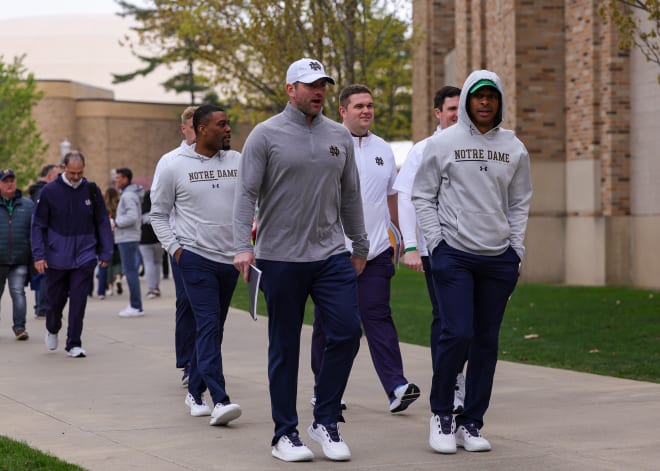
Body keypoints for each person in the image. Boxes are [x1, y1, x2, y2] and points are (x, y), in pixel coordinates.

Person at [233, 58, 368, 462]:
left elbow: (350, 195)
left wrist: (359, 244)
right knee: (285, 347)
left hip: (330, 254)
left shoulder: (338, 136)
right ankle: (284, 434)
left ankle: (325, 419)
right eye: (310, 85)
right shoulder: (264, 135)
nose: (319, 91)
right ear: (290, 89)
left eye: (323, 84)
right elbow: (245, 195)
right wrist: (242, 245)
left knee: (347, 332)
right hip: (280, 257)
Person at [412, 70, 532, 453]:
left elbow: (519, 203)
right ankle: (442, 414)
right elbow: (422, 196)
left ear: (499, 101)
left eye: (491, 96)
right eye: (477, 96)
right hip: (455, 256)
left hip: (498, 259)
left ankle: (472, 423)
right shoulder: (444, 143)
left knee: (485, 341)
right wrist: (438, 245)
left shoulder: (514, 148)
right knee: (457, 333)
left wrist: (516, 251)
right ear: (466, 101)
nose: (484, 102)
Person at [309, 84, 420, 414]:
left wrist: (398, 236)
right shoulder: (326, 144)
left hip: (376, 252)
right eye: (359, 106)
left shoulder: (384, 149)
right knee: (330, 325)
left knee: (379, 318)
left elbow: (390, 197)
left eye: (370, 105)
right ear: (343, 110)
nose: (366, 111)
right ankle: (325, 390)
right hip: (334, 255)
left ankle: (396, 386)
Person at [151, 104, 242, 427]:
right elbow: (158, 214)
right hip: (195, 259)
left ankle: (194, 392)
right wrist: (176, 250)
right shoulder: (174, 165)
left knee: (215, 328)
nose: (228, 129)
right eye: (222, 124)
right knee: (207, 324)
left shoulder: (237, 161)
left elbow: (251, 203)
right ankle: (220, 399)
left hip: (229, 260)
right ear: (202, 129)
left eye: (229, 123)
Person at [393, 86, 466, 412]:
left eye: (459, 108)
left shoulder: (477, 146)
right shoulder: (423, 150)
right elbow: (406, 199)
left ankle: (458, 378)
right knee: (448, 318)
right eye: (451, 108)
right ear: (438, 113)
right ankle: (449, 383)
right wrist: (410, 246)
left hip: (477, 248)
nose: (456, 113)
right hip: (436, 247)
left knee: (470, 321)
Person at [31, 151, 114, 357]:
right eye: (72, 173)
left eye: (80, 173)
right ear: (63, 168)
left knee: (79, 301)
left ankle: (74, 343)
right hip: (56, 256)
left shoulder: (91, 190)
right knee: (55, 302)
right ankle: (52, 328)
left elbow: (103, 221)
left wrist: (106, 251)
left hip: (84, 255)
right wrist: (39, 255)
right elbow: (38, 225)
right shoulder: (49, 192)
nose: (76, 177)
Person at [151, 105, 197, 386]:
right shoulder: (169, 161)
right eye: (195, 126)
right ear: (184, 129)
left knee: (209, 308)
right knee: (188, 302)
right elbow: (159, 206)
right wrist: (173, 245)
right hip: (181, 245)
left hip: (213, 247)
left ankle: (204, 360)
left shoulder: (218, 159)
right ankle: (188, 361)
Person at [0, 169, 34, 340]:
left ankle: (20, 328)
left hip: (20, 258)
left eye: (12, 180)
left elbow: (35, 232)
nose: (9, 184)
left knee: (18, 291)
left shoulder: (28, 205)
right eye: (5, 181)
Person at [28, 164, 59, 319]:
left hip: (43, 238)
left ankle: (40, 306)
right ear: (49, 177)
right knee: (45, 274)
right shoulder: (43, 193)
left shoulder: (37, 192)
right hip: (45, 239)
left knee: (43, 274)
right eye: (57, 176)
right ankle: (42, 308)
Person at [114, 167, 145, 317]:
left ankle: (136, 306)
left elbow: (132, 216)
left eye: (118, 178)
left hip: (127, 237)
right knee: (130, 271)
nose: (116, 180)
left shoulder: (128, 196)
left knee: (130, 271)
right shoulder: (130, 194)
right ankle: (135, 304)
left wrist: (116, 222)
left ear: (126, 179)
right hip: (129, 237)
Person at [96, 187, 123, 298]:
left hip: (105, 238)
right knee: (118, 261)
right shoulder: (119, 206)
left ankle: (107, 289)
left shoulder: (103, 207)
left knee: (106, 264)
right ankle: (118, 278)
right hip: (119, 238)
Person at [138, 188, 162, 299]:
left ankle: (151, 288)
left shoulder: (141, 209)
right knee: (157, 263)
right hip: (158, 240)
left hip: (144, 241)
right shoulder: (159, 209)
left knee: (148, 264)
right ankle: (156, 287)